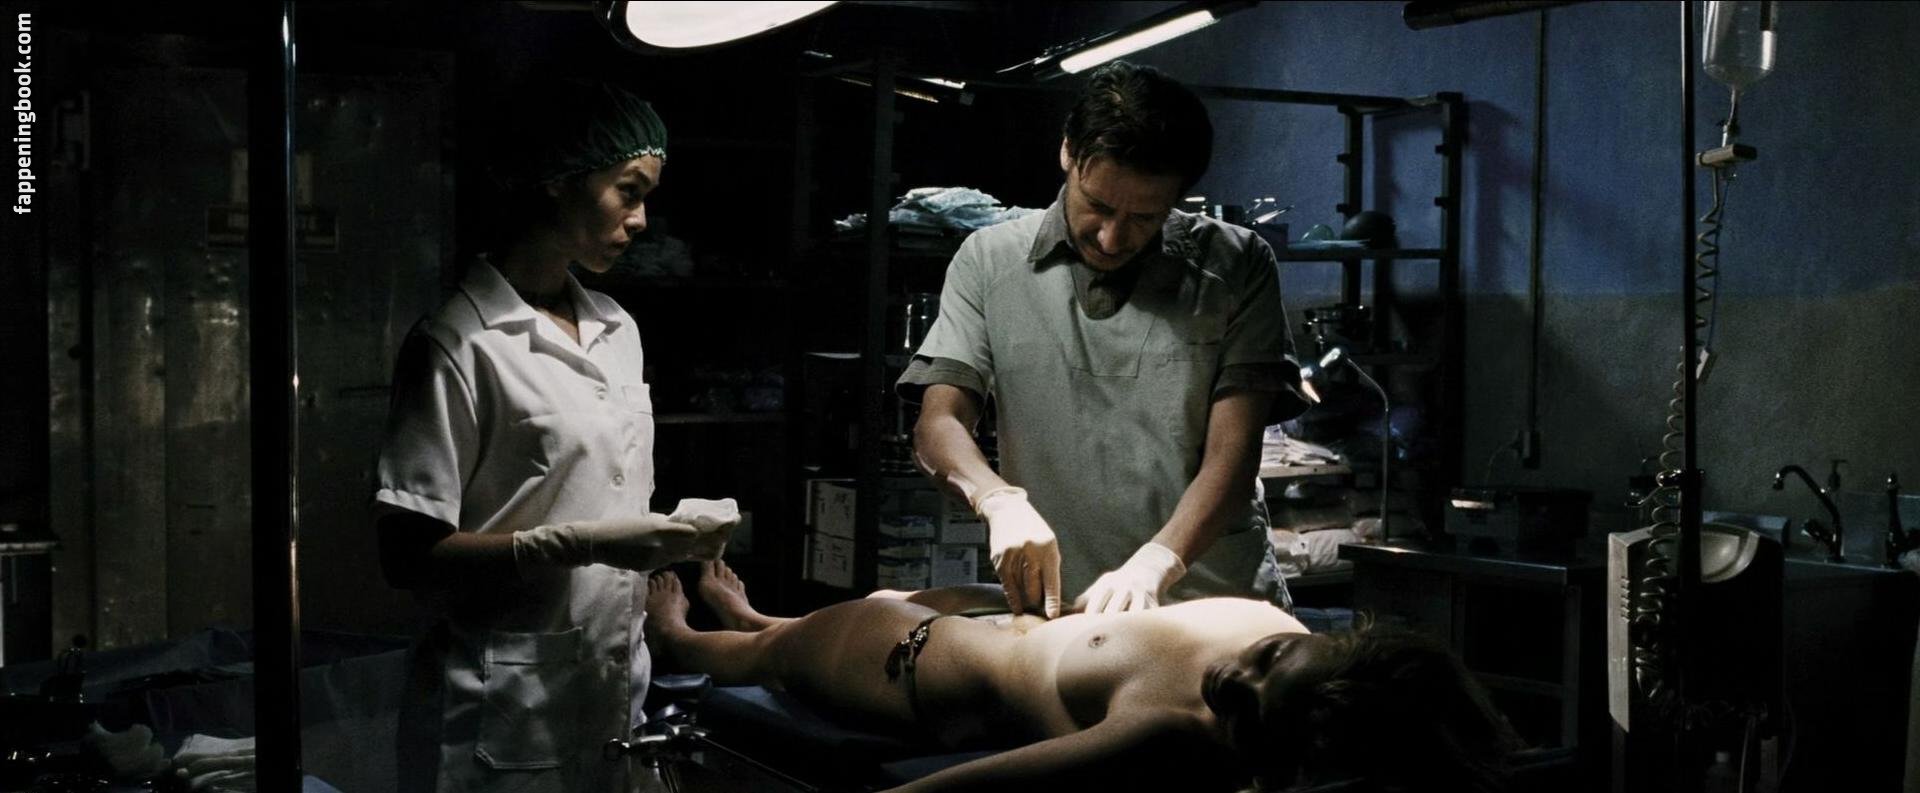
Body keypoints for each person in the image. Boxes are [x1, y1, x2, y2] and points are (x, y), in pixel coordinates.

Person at [371, 79, 739, 793]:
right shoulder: (459, 342)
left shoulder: (617, 328)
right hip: (499, 706)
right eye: (627, 191)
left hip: (612, 689)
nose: (641, 219)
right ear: (557, 180)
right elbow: (406, 554)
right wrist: (578, 544)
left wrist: (671, 533)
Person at [898, 60, 1311, 619]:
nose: (1113, 237)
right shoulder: (989, 261)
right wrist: (995, 499)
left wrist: (1157, 563)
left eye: (1145, 217)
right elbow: (937, 424)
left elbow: (1232, 459)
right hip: (1061, 604)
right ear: (1068, 152)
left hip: (1212, 601)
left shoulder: (1236, 265)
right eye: (1097, 205)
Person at [648, 561, 1520, 792]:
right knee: (813, 624)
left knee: (766, 658)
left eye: (1248, 712)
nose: (1231, 678)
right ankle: (758, 617)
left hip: (907, 665)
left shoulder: (1170, 731)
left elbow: (954, 790)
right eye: (1267, 662)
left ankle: (689, 635)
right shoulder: (1281, 622)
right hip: (985, 619)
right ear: (1341, 641)